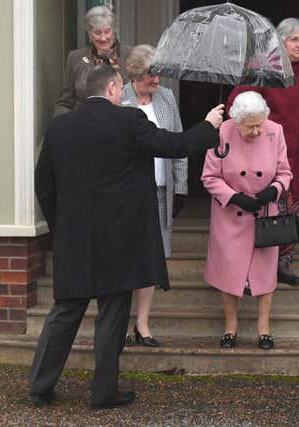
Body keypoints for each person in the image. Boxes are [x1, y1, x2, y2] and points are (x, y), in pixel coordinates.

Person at [30, 64, 224, 409]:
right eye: (121, 89)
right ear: (112, 89)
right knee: (112, 316)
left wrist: (63, 227)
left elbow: (43, 184)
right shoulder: (129, 121)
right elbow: (174, 145)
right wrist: (209, 126)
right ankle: (103, 393)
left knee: (64, 312)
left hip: (74, 239)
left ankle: (40, 385)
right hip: (119, 239)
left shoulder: (59, 128)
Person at [227, 17, 299, 287]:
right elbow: (237, 102)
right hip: (265, 151)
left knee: (289, 208)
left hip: (295, 151)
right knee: (265, 208)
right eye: (294, 40)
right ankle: (252, 269)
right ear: (281, 42)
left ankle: (282, 264)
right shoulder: (265, 65)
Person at [202, 91, 292, 350]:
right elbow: (209, 177)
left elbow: (285, 173)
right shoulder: (221, 132)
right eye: (250, 126)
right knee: (229, 270)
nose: (256, 131)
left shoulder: (275, 131)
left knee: (264, 272)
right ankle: (230, 326)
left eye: (259, 125)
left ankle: (264, 328)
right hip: (231, 214)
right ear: (236, 121)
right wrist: (235, 198)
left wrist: (272, 191)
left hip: (264, 214)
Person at [121, 44, 187, 347]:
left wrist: (181, 185)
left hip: (161, 191)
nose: (157, 79)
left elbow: (178, 143)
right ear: (135, 74)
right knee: (124, 255)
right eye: (151, 74)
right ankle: (118, 323)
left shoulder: (167, 97)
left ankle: (142, 323)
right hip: (127, 194)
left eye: (159, 73)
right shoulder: (119, 99)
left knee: (151, 257)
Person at [54, 5, 128, 117]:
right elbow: (65, 102)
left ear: (114, 31)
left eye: (107, 31)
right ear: (89, 34)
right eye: (97, 33)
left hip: (121, 123)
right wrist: (60, 126)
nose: (103, 38)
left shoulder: (130, 55)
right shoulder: (76, 58)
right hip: (83, 125)